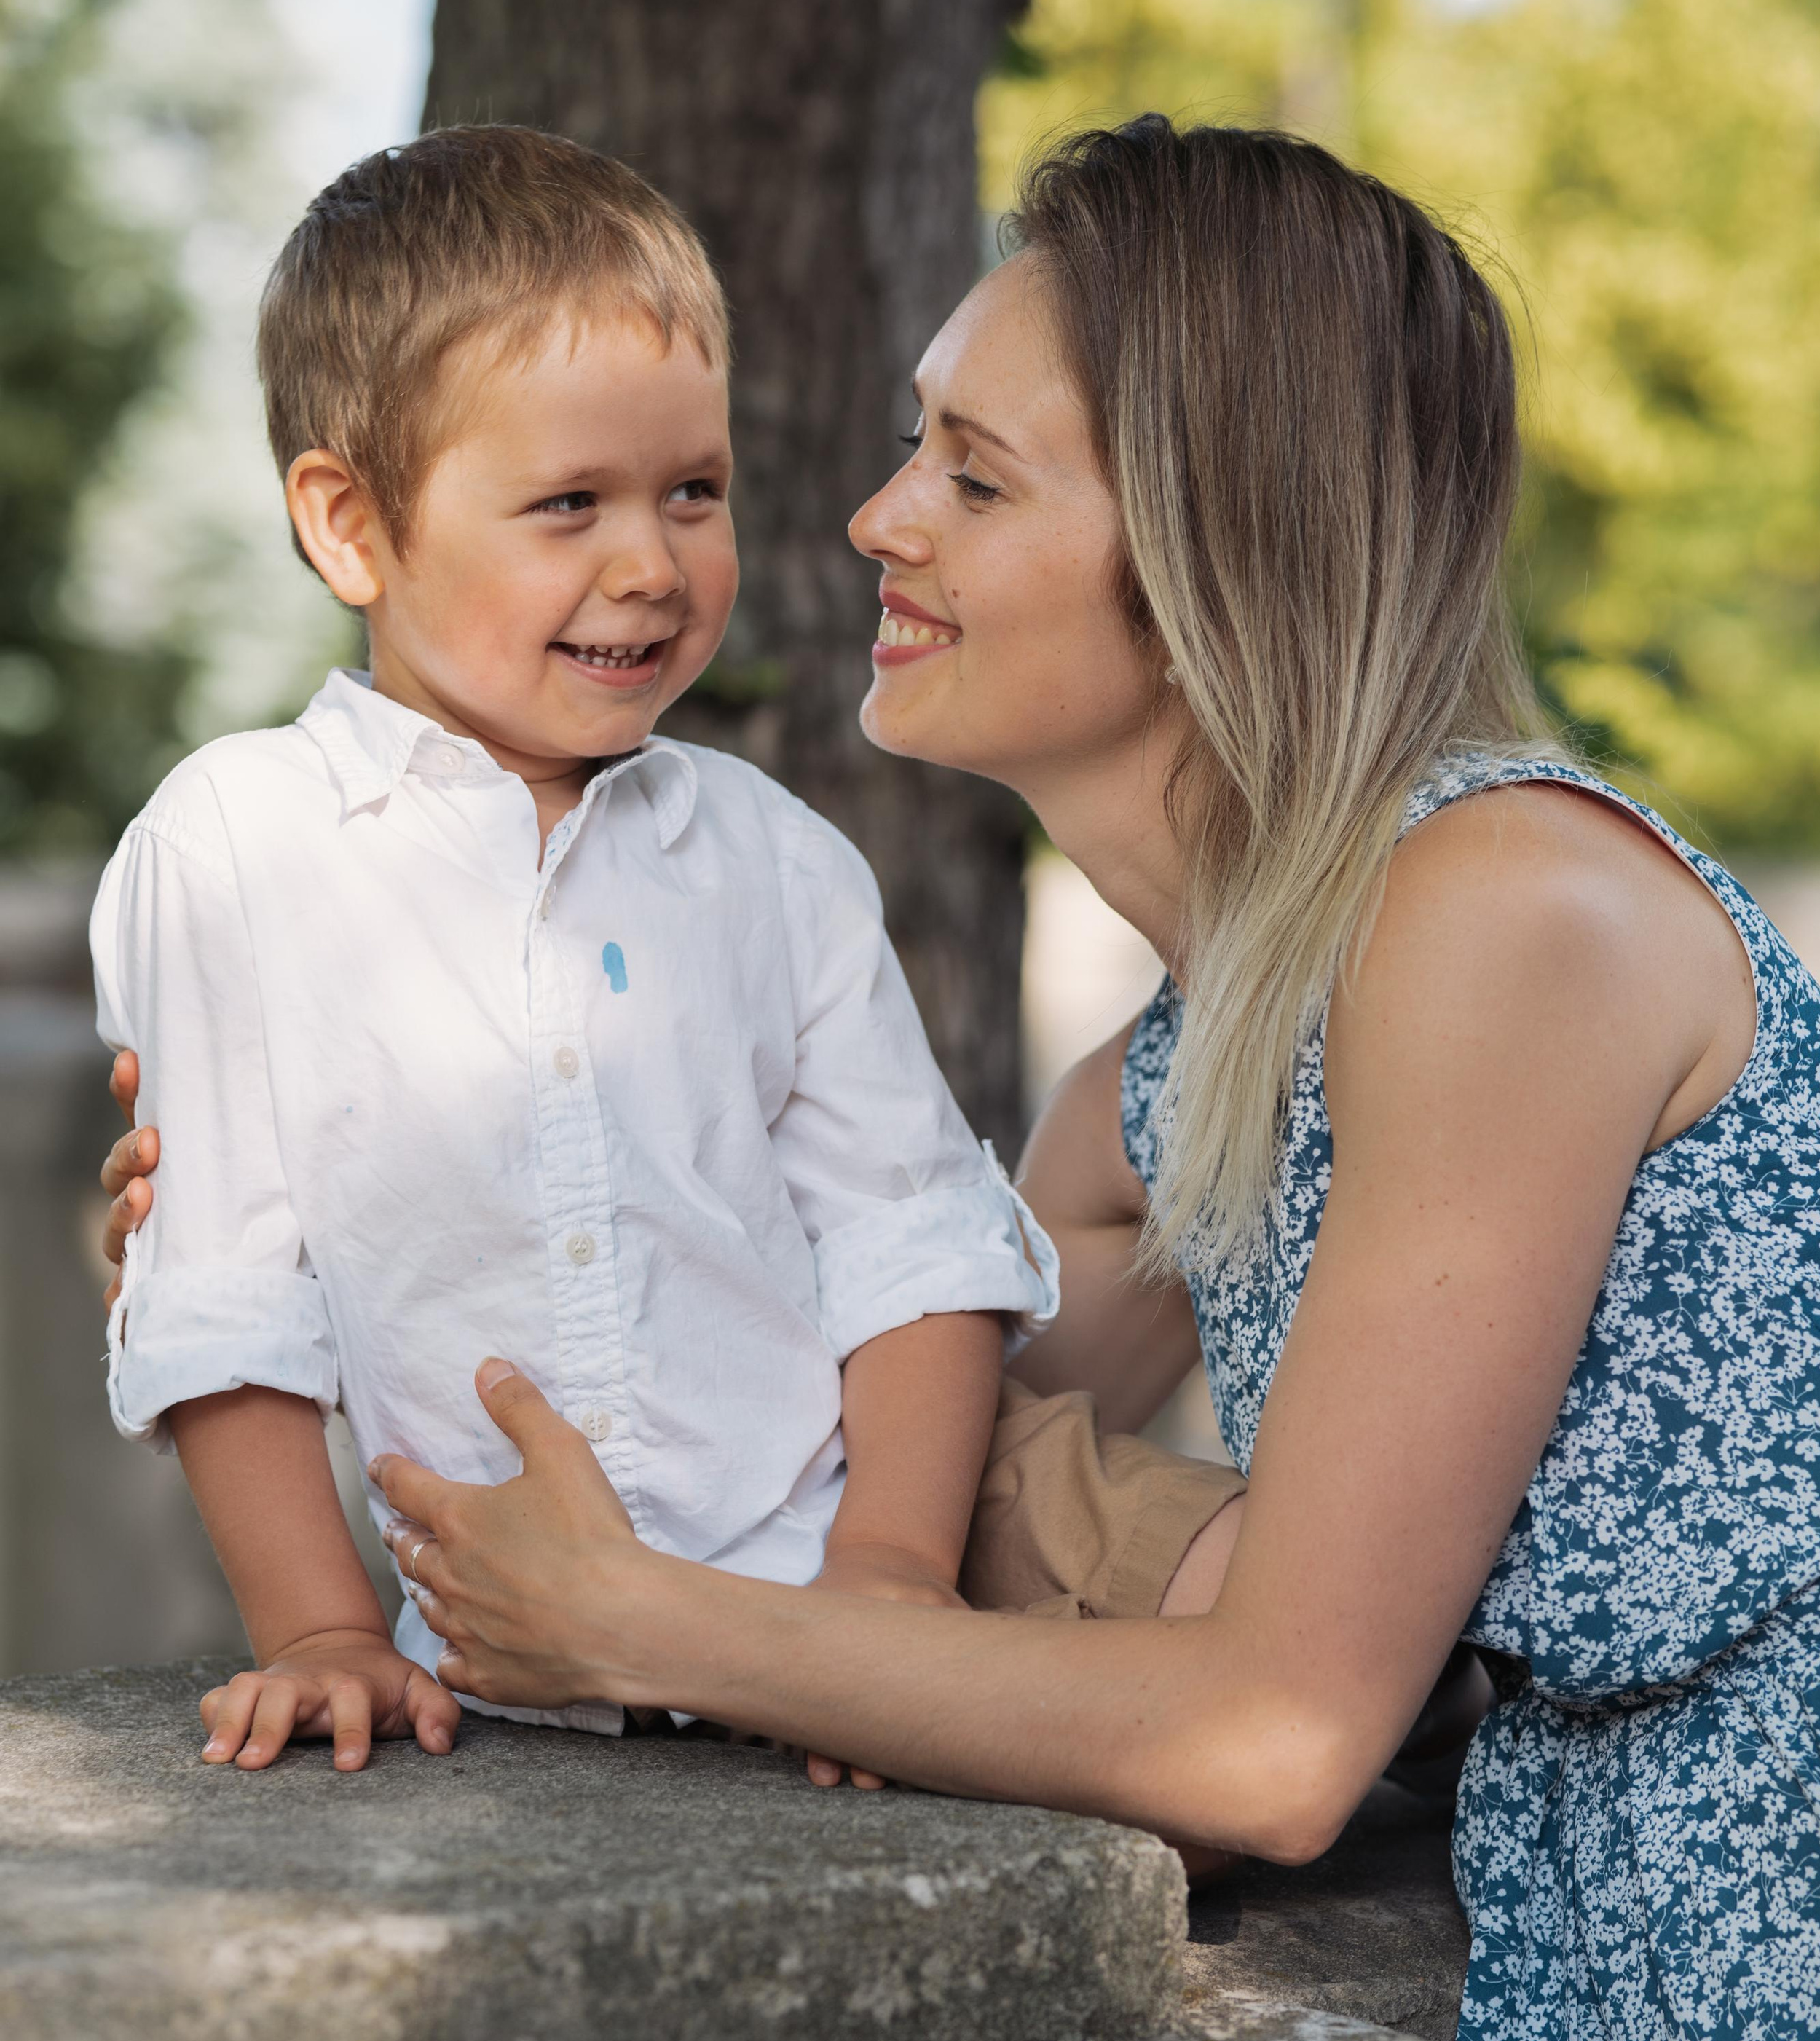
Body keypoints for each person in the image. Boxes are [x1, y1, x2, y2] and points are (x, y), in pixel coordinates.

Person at [103, 117, 1820, 2041]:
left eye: (974, 471)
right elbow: (893, 1379)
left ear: (1216, 547)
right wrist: (291, 1214)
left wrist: (653, 1622)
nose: (870, 518)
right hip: (1655, 1953)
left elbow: (1273, 1738)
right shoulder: (1224, 1032)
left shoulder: (1497, 918)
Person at [92, 120, 1182, 1780]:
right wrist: (317, 1633)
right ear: (348, 525)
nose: (648, 565)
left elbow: (907, 1244)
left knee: (1321, 1651)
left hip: (847, 1565)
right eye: (566, 505)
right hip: (496, 1659)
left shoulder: (773, 863)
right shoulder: (235, 847)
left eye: (693, 491)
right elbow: (220, 1281)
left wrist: (879, 1588)